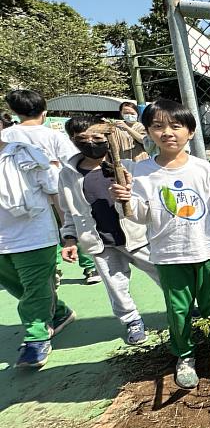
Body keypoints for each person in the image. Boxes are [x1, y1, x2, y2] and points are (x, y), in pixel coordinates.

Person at [110, 99, 210, 389]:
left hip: (205, 251)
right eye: (158, 126)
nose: (167, 132)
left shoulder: (202, 169)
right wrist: (124, 200)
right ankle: (185, 355)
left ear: (190, 132)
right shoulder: (141, 173)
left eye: (176, 126)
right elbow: (141, 216)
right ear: (149, 132)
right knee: (178, 310)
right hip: (168, 254)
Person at [58, 115, 160, 345]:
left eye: (97, 137)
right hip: (100, 242)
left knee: (162, 272)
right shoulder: (68, 174)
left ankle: (182, 307)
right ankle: (132, 320)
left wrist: (130, 189)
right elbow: (68, 211)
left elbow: (147, 202)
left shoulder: (127, 167)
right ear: (73, 140)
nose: (91, 143)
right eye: (83, 138)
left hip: (136, 236)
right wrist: (69, 239)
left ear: (107, 137)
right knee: (116, 285)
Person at [0, 89, 99, 285]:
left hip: (21, 193)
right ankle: (89, 267)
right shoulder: (52, 135)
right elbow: (72, 161)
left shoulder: (7, 135)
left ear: (13, 112)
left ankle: (52, 270)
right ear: (44, 111)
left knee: (43, 229)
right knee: (72, 223)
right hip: (57, 187)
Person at [0, 136, 75, 367]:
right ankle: (60, 312)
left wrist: (67, 233)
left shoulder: (26, 155)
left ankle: (36, 339)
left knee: (34, 288)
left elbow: (55, 193)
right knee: (20, 287)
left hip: (33, 237)